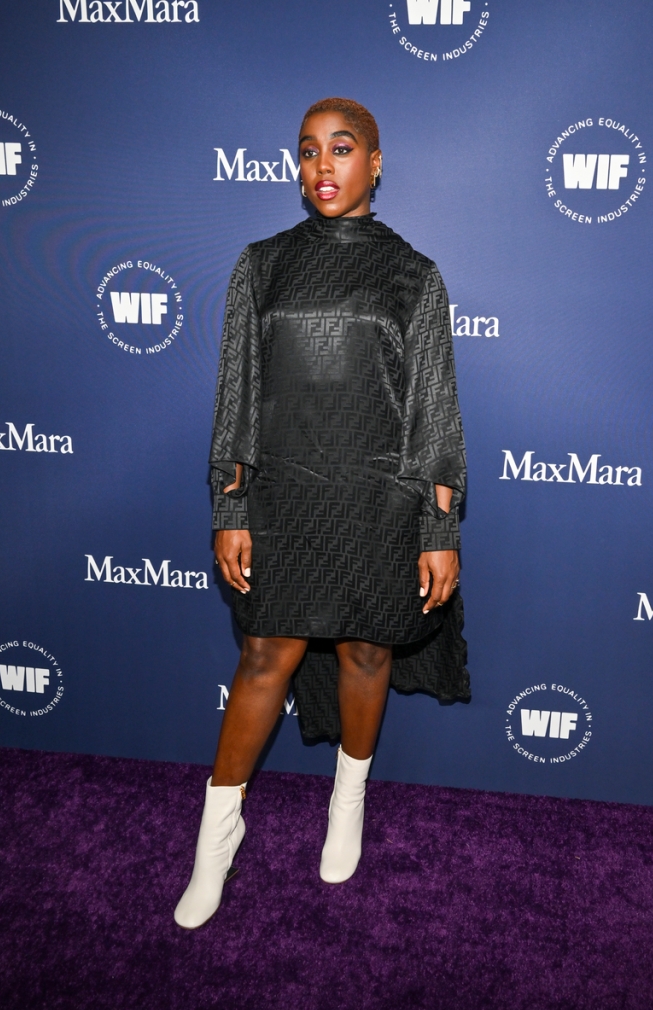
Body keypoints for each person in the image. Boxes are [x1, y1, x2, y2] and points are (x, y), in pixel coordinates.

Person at [174, 98, 468, 930]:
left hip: (379, 499)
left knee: (368, 649)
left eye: (341, 149)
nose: (322, 167)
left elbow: (434, 413)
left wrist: (438, 528)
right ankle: (214, 844)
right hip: (286, 495)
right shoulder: (260, 265)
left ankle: (348, 803)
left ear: (376, 163)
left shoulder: (413, 274)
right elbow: (234, 399)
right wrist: (231, 504)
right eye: (306, 152)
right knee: (265, 654)